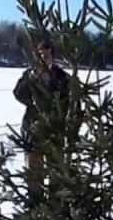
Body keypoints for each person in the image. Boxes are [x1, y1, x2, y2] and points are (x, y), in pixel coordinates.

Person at [13, 39, 70, 197]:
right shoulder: (30, 74)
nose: (43, 58)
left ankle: (55, 203)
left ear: (52, 56)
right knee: (35, 169)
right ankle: (35, 202)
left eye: (46, 55)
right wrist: (31, 77)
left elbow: (70, 102)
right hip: (34, 127)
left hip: (55, 129)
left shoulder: (61, 76)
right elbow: (19, 94)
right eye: (40, 55)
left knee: (56, 169)